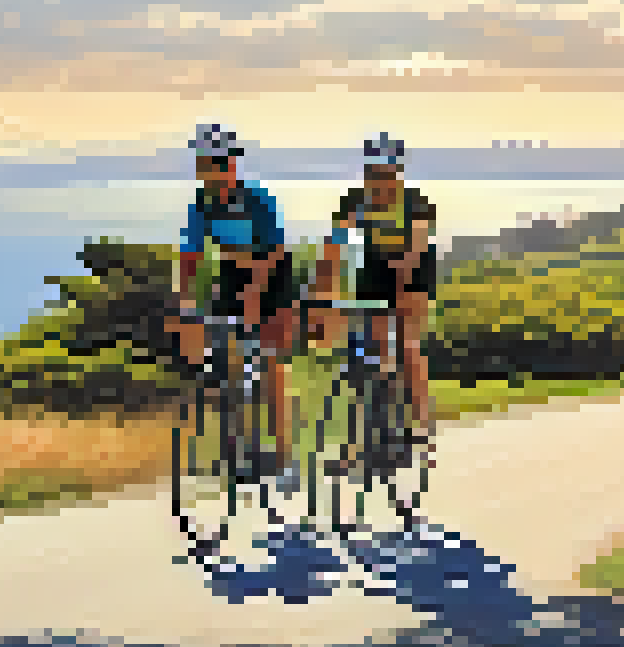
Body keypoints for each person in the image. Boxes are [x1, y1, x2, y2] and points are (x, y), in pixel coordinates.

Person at [172, 123, 301, 485]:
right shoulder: (200, 205)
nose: (211, 171)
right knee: (228, 360)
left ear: (232, 165)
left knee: (272, 364)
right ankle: (240, 446)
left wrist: (255, 291)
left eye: (217, 163)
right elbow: (190, 257)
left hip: (273, 274)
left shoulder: (258, 200)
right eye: (204, 164)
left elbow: (275, 253)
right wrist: (184, 304)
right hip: (232, 272)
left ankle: (283, 456)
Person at [312, 132, 439, 471]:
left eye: (385, 174)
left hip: (413, 267)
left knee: (408, 344)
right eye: (373, 174)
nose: (379, 181)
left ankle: (421, 428)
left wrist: (400, 288)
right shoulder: (354, 201)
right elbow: (333, 250)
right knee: (367, 357)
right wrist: (323, 294)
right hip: (375, 265)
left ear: (397, 173)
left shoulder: (416, 203)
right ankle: (362, 441)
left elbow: (415, 249)